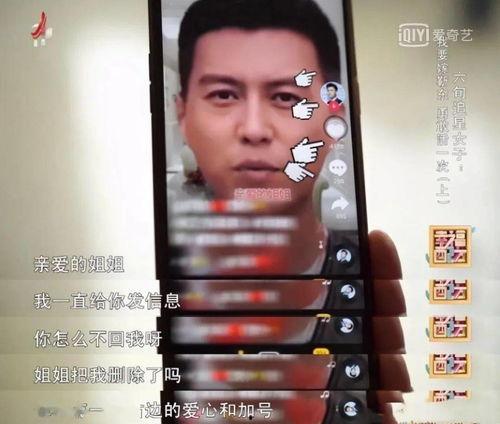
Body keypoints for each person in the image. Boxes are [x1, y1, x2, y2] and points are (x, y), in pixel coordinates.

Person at [171, 1, 411, 420]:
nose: (254, 129)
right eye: (224, 95)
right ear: (183, 115)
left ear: (334, 118)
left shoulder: (350, 270)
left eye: (286, 98)